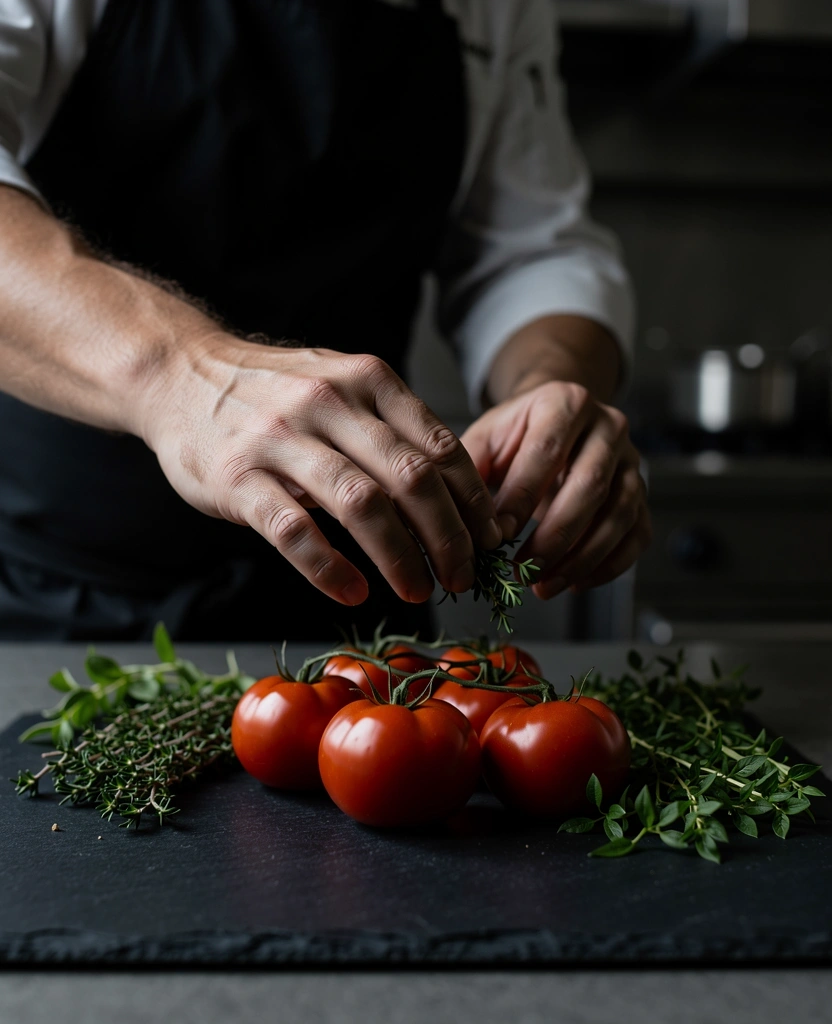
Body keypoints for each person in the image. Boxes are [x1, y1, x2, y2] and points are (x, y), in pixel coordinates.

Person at [0, 0, 651, 642]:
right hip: (56, 595)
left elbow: (530, 249)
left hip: (359, 604)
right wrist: (177, 376)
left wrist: (550, 386)